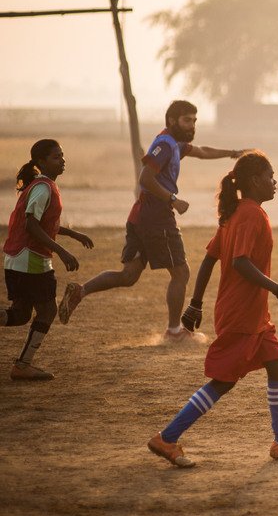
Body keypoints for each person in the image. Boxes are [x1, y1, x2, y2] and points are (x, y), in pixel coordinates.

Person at [147, 152, 278, 467]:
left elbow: (211, 258)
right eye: (270, 175)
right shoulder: (250, 214)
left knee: (277, 364)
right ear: (255, 181)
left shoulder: (236, 212)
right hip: (241, 314)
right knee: (223, 381)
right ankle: (167, 438)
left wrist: (196, 302)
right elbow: (240, 263)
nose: (275, 182)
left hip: (254, 316)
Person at [57, 100, 242, 339]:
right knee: (181, 273)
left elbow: (202, 151)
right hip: (156, 217)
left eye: (194, 121)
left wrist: (232, 153)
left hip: (140, 216)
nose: (192, 125)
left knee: (129, 275)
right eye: (187, 120)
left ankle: (79, 291)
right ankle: (174, 332)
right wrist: (173, 200)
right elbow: (145, 178)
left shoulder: (175, 143)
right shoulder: (165, 145)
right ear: (172, 120)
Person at [3, 140, 93, 380]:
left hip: (17, 259)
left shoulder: (43, 185)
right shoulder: (43, 187)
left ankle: (22, 365)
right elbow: (32, 226)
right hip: (30, 259)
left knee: (21, 314)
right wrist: (62, 252)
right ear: (41, 162)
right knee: (48, 310)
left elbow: (43, 223)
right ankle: (22, 366)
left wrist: (73, 234)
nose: (62, 160)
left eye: (62, 155)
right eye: (56, 157)